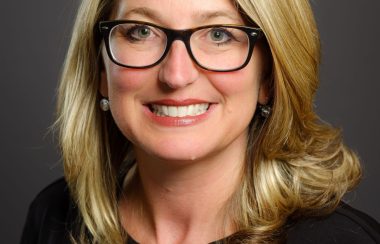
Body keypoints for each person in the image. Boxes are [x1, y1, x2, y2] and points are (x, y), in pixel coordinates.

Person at [21, 0, 380, 243]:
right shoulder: (54, 217)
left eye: (219, 34)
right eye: (141, 32)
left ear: (269, 78)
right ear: (101, 68)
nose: (176, 75)